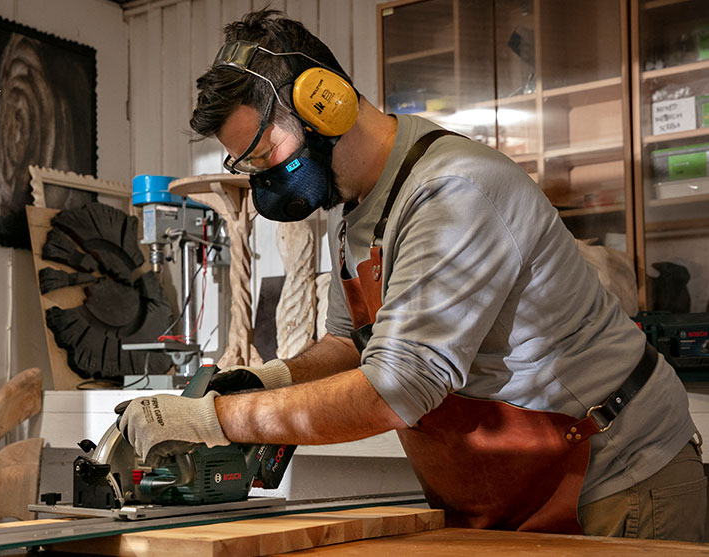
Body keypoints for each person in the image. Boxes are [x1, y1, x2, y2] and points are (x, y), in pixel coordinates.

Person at [117, 9, 706, 541]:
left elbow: (399, 386)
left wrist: (214, 419)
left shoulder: (452, 190)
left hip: (618, 480)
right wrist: (266, 381)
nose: (262, 176)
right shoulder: (354, 205)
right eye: (246, 163)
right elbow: (350, 343)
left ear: (325, 103)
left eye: (264, 153)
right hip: (512, 486)